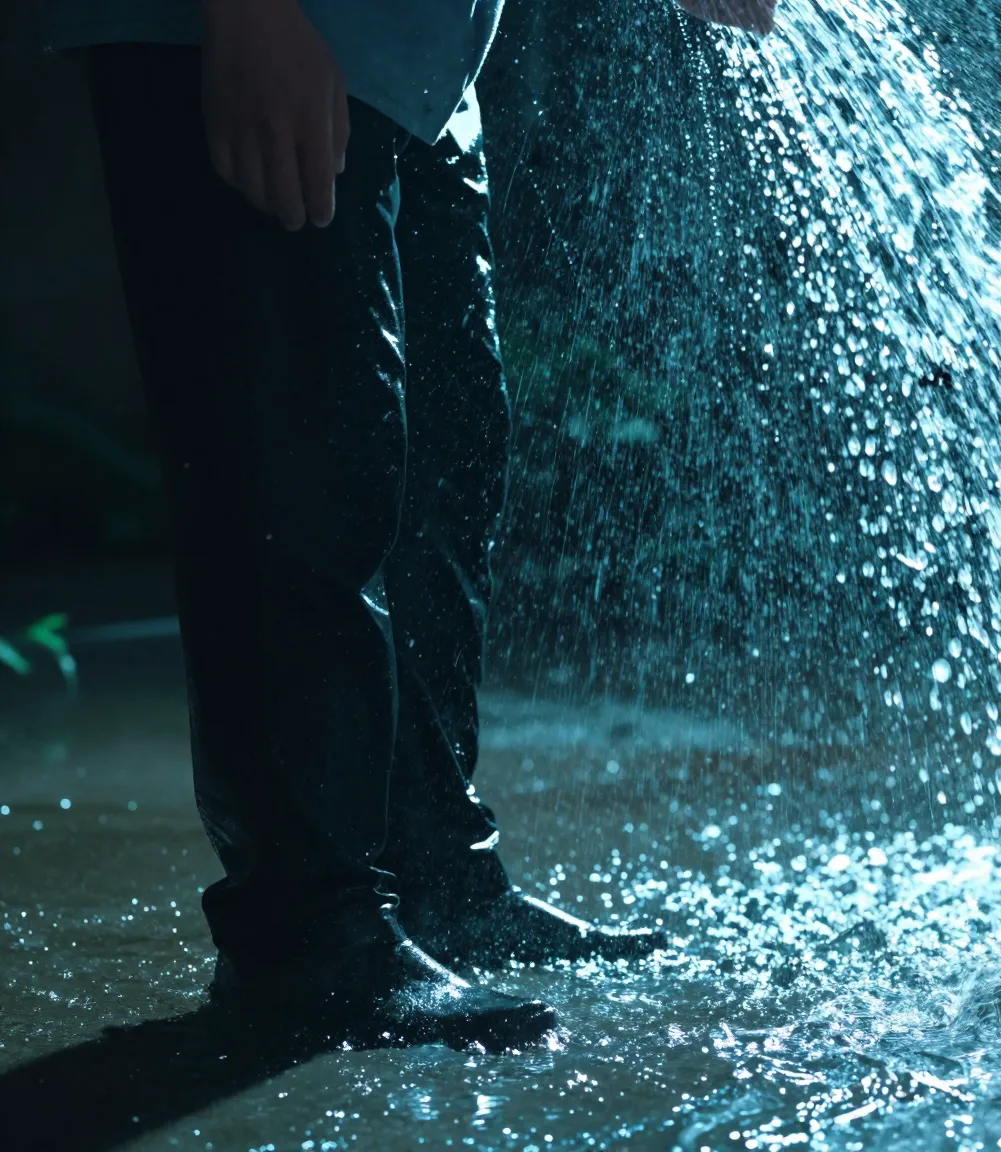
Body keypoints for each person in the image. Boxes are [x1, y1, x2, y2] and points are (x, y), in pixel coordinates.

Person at [44, 0, 776, 1051]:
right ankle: (307, 932)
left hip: (405, 52)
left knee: (440, 449)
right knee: (301, 458)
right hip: (269, 28)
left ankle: (434, 874)